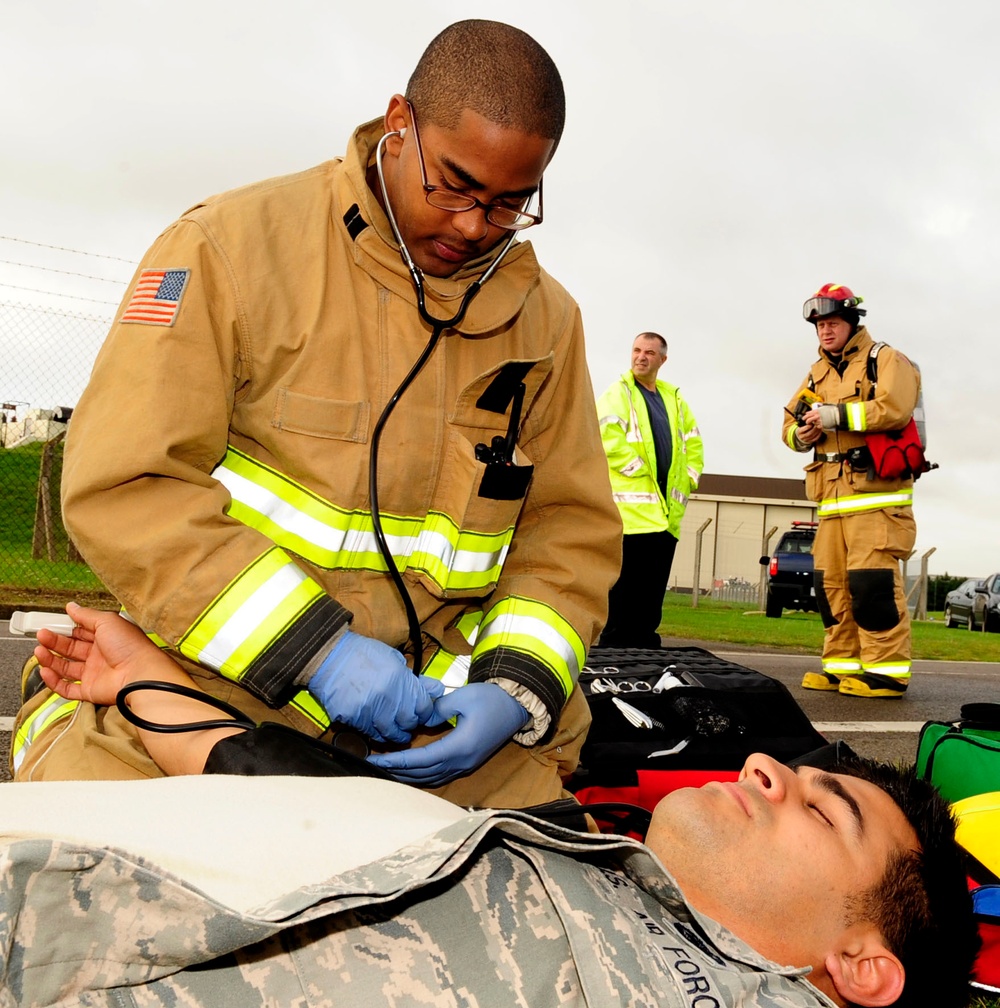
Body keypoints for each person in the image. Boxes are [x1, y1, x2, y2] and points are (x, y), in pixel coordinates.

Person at [17, 21, 621, 806]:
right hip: (213, 690)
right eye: (456, 184)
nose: (476, 225)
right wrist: (321, 653)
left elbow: (568, 534)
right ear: (399, 121)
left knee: (561, 896)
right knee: (108, 873)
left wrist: (512, 689)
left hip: (435, 737)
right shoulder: (228, 248)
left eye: (511, 203)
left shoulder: (547, 324)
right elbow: (127, 486)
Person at [8, 605, 978, 1007]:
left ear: (859, 967)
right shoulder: (568, 854)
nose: (767, 763)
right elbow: (286, 789)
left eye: (822, 810)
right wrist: (136, 682)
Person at [783, 284, 920, 699]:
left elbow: (895, 407)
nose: (825, 331)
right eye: (820, 325)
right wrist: (802, 433)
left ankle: (886, 672)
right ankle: (841, 665)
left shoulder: (884, 359)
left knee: (871, 585)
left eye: (832, 323)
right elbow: (787, 428)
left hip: (876, 497)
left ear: (851, 322)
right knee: (832, 587)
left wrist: (833, 415)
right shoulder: (815, 373)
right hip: (831, 500)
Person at [596, 332, 703, 648]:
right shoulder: (619, 393)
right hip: (630, 514)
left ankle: (645, 647)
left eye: (649, 352)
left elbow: (693, 444)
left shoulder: (674, 399)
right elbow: (604, 435)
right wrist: (636, 469)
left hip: (664, 516)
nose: (641, 357)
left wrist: (690, 479)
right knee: (624, 590)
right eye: (637, 350)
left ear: (662, 359)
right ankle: (614, 648)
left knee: (652, 591)